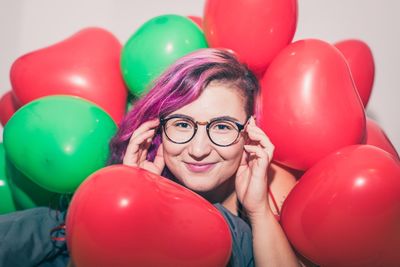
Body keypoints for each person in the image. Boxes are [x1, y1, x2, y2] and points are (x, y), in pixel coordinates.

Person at [108, 48, 301, 267]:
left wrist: (259, 212)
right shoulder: (133, 173)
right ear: (157, 130)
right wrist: (137, 193)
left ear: (249, 132)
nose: (198, 150)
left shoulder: (275, 189)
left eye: (221, 126)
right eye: (182, 124)